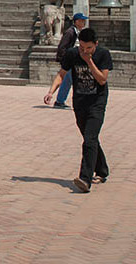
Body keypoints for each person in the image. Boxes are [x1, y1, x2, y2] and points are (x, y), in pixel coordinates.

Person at [44, 27, 113, 192]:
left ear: (95, 44)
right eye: (82, 47)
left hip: (97, 102)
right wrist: (50, 92)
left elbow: (102, 79)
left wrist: (89, 61)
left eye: (88, 47)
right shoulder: (72, 54)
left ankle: (85, 179)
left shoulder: (103, 55)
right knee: (91, 138)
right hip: (80, 102)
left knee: (89, 139)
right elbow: (62, 74)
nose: (85, 50)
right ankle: (102, 170)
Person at [52, 12, 89, 108]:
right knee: (77, 81)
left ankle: (59, 101)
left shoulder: (77, 32)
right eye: (82, 21)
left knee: (67, 81)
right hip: (70, 61)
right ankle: (80, 102)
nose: (83, 22)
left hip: (74, 61)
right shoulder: (70, 32)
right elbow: (62, 47)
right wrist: (65, 60)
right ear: (76, 22)